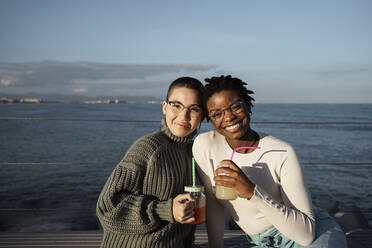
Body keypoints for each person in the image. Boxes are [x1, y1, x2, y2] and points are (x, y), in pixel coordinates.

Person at [192, 75, 347, 248]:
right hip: (263, 242)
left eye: (235, 107)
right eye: (217, 114)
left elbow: (305, 235)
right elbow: (213, 204)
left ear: (248, 105)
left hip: (310, 231)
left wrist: (251, 192)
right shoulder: (205, 145)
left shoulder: (282, 152)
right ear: (210, 119)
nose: (228, 117)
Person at [96, 77, 205, 248]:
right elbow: (108, 207)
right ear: (164, 107)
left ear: (202, 116)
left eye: (194, 109)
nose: (184, 116)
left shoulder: (195, 152)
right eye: (176, 105)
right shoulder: (149, 148)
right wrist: (165, 210)